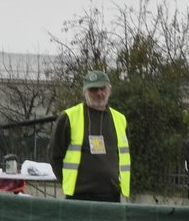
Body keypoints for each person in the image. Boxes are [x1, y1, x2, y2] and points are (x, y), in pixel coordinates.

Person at [50, 70, 130, 202]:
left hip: (112, 196)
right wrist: (69, 182)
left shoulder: (120, 119)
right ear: (85, 91)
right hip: (79, 197)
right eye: (93, 89)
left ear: (109, 89)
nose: (99, 93)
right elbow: (55, 156)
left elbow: (123, 157)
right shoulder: (69, 117)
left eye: (102, 88)